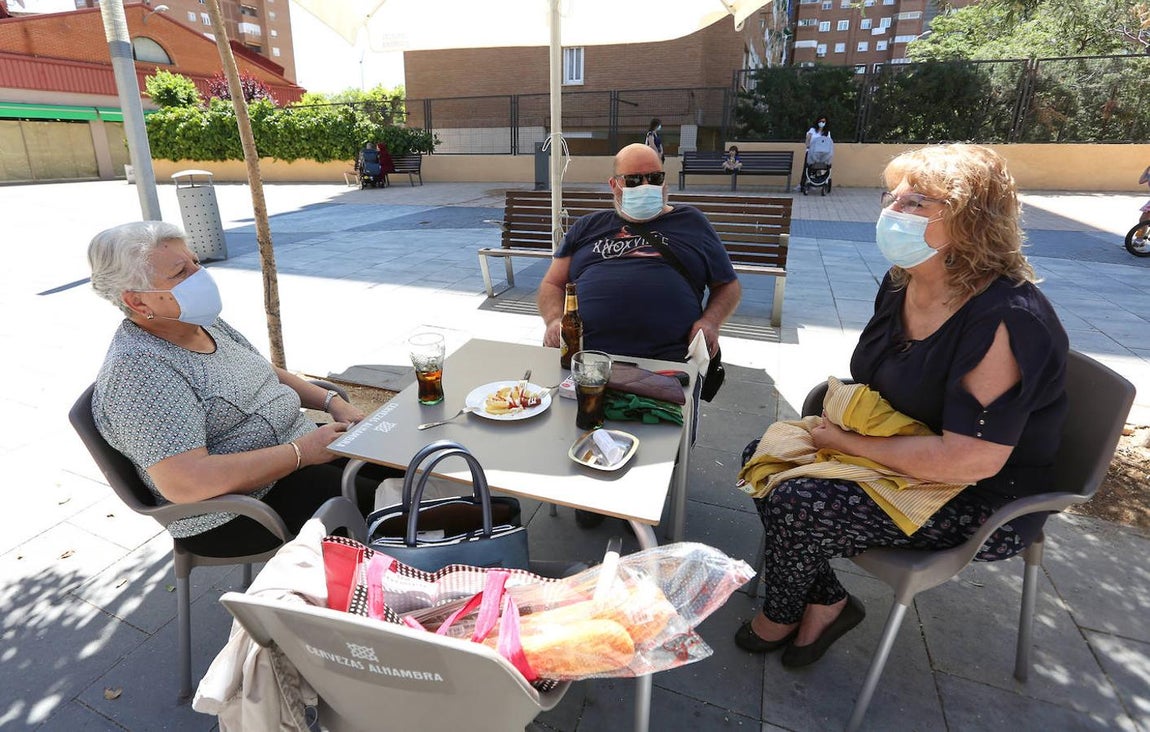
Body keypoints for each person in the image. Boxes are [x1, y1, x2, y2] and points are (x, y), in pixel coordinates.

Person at [735, 144, 1069, 668]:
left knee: (798, 501)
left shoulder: (1004, 319)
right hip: (900, 452)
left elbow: (971, 461)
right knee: (763, 455)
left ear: (972, 220)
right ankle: (827, 601)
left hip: (980, 498)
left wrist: (845, 443)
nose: (893, 211)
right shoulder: (902, 283)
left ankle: (781, 613)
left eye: (915, 202)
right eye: (892, 198)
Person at [87, 221, 398, 558]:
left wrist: (331, 401)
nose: (200, 275)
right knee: (399, 508)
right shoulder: (141, 372)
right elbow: (184, 481)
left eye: (195, 262)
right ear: (137, 301)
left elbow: (262, 370)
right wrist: (300, 453)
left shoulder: (196, 322)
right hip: (237, 509)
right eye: (180, 272)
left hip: (298, 448)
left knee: (405, 464)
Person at [538, 142, 742, 526]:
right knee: (578, 424)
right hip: (588, 358)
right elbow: (552, 284)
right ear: (614, 184)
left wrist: (711, 322)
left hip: (665, 360)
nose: (646, 186)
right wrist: (552, 321)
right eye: (634, 180)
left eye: (654, 177)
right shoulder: (588, 226)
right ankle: (591, 486)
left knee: (653, 447)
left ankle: (639, 493)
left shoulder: (692, 223)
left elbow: (727, 285)